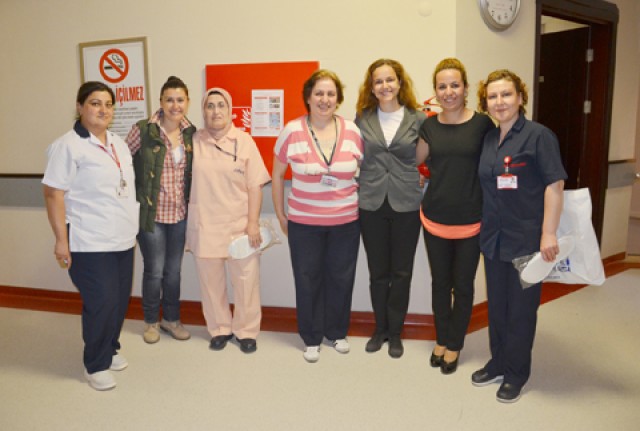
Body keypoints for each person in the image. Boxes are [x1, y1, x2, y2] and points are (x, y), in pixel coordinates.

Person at [473, 69, 566, 403]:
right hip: (494, 238)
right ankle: (498, 362)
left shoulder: (539, 136)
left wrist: (548, 233)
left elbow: (555, 185)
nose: (500, 102)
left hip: (527, 239)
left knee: (521, 310)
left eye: (506, 94)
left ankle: (516, 372)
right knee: (497, 306)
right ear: (486, 102)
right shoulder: (488, 139)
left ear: (521, 97)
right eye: (493, 96)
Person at [43, 81, 139, 391]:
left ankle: (110, 348)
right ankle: (95, 364)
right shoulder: (67, 146)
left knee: (119, 300)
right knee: (102, 301)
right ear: (80, 107)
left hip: (122, 236)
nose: (103, 110)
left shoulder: (118, 143)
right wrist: (61, 240)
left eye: (108, 104)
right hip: (89, 239)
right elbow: (53, 194)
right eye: (95, 103)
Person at [272, 69, 364, 363]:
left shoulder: (352, 131)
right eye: (319, 93)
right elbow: (277, 175)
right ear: (308, 98)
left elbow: (366, 172)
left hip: (345, 222)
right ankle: (311, 337)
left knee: (341, 278)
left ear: (338, 99)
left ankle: (336, 332)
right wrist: (281, 215)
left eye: (331, 94)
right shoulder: (291, 131)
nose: (325, 99)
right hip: (304, 223)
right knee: (307, 278)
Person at [416, 58, 495, 374]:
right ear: (435, 91)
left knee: (462, 286)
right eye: (442, 86)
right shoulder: (429, 125)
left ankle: (455, 343)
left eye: (454, 85)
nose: (448, 91)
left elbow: (496, 163)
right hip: (435, 217)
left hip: (471, 219)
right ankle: (441, 338)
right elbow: (414, 159)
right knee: (440, 284)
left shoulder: (483, 124)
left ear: (465, 88)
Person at [186, 87, 271, 354]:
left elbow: (255, 185)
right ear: (203, 111)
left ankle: (246, 331)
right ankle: (219, 328)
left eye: (221, 105)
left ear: (230, 110)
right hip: (205, 223)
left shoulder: (244, 141)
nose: (216, 111)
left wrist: (253, 223)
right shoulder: (193, 141)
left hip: (239, 224)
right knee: (211, 284)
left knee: (246, 282)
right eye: (210, 106)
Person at [355, 59, 426, 358]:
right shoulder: (362, 118)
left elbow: (426, 156)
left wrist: (422, 176)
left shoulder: (418, 118)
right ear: (371, 87)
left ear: (399, 83)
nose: (384, 86)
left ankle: (395, 332)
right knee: (377, 272)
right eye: (378, 81)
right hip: (371, 202)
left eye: (389, 80)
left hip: (406, 202)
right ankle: (380, 328)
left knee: (402, 271)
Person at [125, 76, 196, 344]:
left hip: (180, 215)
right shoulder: (143, 130)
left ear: (187, 102)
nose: (175, 105)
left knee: (173, 271)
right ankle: (151, 321)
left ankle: (172, 320)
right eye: (169, 100)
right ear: (161, 102)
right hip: (152, 215)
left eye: (180, 100)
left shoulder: (191, 133)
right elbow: (121, 162)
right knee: (154, 270)